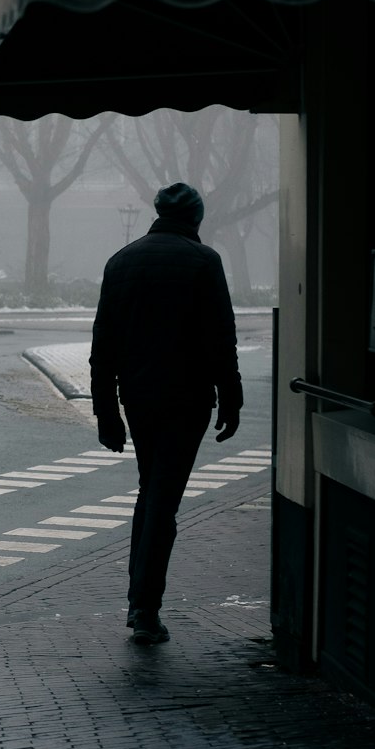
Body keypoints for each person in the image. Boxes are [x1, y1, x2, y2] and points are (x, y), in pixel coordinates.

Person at [90, 182, 243, 646]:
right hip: (187, 400)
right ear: (195, 217)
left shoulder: (121, 262)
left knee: (151, 490)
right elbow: (222, 337)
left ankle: (140, 600)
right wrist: (230, 398)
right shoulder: (204, 262)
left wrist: (107, 414)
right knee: (163, 498)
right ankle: (144, 607)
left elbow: (104, 348)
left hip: (138, 398)